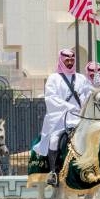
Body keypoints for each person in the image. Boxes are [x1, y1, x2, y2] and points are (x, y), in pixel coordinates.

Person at [32, 49, 92, 187]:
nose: (70, 62)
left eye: (72, 60)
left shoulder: (81, 78)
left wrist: (83, 104)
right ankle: (53, 172)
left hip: (79, 118)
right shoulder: (54, 78)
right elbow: (51, 98)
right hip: (61, 119)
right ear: (61, 60)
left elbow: (87, 95)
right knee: (53, 141)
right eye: (67, 60)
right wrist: (67, 106)